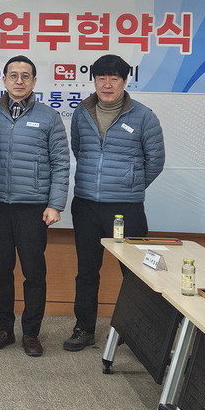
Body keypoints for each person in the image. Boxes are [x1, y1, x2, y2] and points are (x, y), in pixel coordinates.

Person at [64, 54, 165, 351]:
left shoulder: (143, 116)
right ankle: (84, 329)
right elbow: (78, 149)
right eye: (101, 78)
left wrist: (130, 184)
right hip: (86, 205)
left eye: (114, 78)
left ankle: (137, 333)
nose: (107, 84)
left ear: (125, 81)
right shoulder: (82, 112)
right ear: (94, 81)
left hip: (125, 207)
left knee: (133, 274)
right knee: (86, 271)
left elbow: (156, 161)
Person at [0, 55, 69, 357]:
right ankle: (4, 329)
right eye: (13, 75)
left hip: (33, 208)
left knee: (34, 273)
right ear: (4, 80)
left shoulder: (49, 117)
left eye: (25, 76)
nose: (19, 81)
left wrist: (55, 204)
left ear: (34, 81)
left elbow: (61, 163)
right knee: (1, 271)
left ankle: (31, 333)